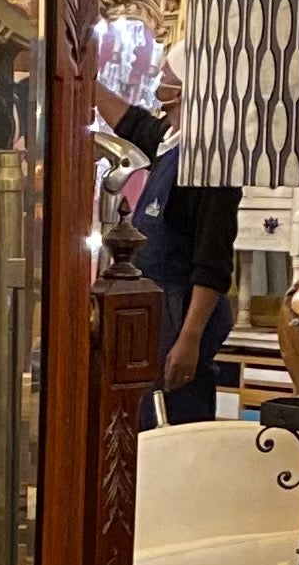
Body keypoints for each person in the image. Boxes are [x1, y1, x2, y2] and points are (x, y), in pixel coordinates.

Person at [97, 50, 241, 426]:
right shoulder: (170, 139)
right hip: (155, 307)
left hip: (181, 309)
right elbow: (132, 122)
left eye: (167, 73)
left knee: (175, 422)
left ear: (186, 88)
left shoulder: (210, 160)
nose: (160, 78)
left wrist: (190, 338)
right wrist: (83, 83)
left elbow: (213, 264)